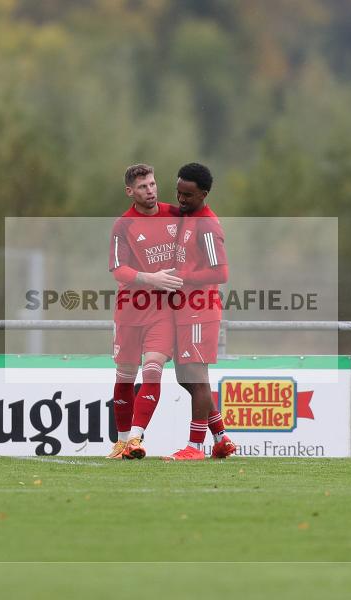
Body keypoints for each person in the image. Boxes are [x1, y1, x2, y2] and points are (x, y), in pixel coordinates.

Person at [106, 163, 182, 459]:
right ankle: (122, 441)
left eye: (152, 184)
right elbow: (118, 270)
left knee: (153, 369)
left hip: (162, 311)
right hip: (130, 310)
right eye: (142, 187)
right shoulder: (122, 225)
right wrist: (152, 278)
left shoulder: (175, 215)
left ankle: (136, 439)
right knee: (125, 375)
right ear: (130, 192)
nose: (150, 190)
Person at [165, 163, 237, 461]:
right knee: (186, 377)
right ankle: (221, 438)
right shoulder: (188, 216)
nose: (181, 199)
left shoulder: (207, 225)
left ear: (204, 194)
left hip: (200, 310)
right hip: (185, 310)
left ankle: (194, 447)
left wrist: (182, 279)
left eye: (188, 195)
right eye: (178, 192)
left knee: (197, 375)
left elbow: (221, 273)